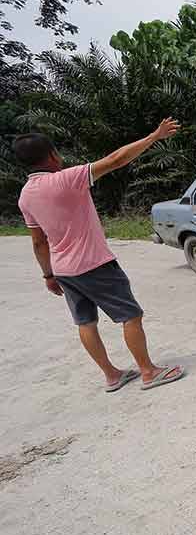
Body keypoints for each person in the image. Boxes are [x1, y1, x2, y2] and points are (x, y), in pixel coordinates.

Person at [16, 118, 185, 392]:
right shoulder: (67, 179)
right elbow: (116, 159)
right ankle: (148, 371)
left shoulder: (25, 196)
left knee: (85, 322)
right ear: (52, 155)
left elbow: (38, 242)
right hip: (94, 264)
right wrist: (154, 136)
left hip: (63, 271)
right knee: (131, 315)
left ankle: (112, 375)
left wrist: (48, 275)